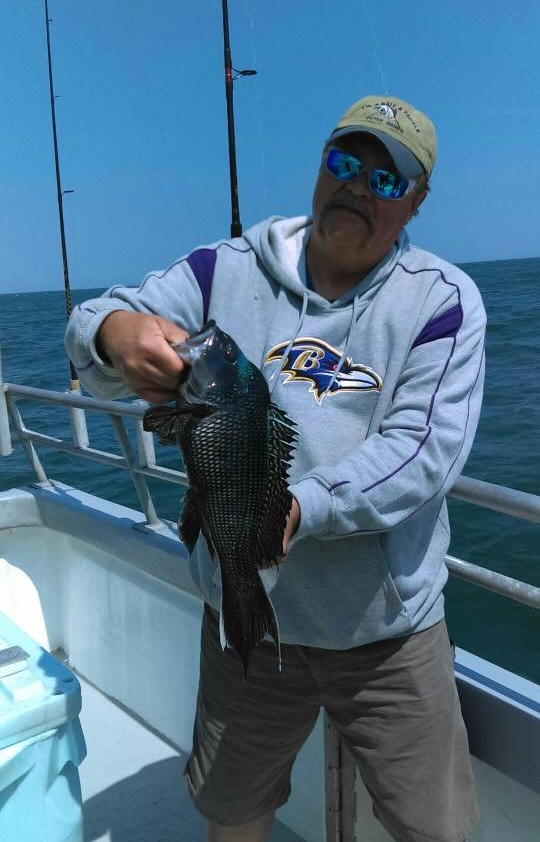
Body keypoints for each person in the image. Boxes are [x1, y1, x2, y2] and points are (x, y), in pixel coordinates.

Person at [65, 94, 485, 842]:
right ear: (320, 164)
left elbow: (423, 455)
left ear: (416, 203)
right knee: (233, 810)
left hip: (387, 630)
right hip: (242, 623)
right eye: (345, 162)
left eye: (387, 180)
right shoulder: (218, 270)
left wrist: (299, 508)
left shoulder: (442, 301)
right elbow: (91, 331)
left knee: (438, 830)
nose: (358, 187)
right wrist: (116, 334)